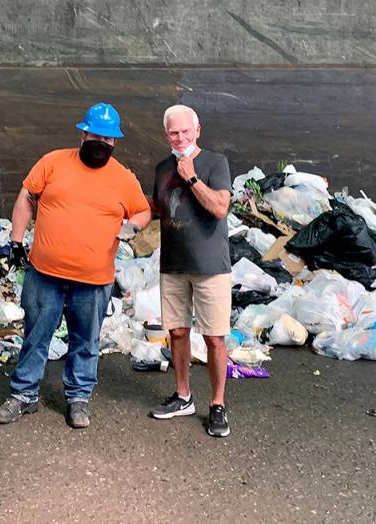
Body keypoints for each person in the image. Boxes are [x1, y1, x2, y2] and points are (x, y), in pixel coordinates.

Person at [0, 103, 151, 429]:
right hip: (44, 275)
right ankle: (24, 395)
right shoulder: (53, 162)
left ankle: (78, 399)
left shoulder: (122, 177)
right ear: (83, 133)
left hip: (94, 280)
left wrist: (132, 226)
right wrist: (17, 241)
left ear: (115, 142)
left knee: (86, 340)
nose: (101, 143)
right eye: (95, 135)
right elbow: (26, 197)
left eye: (108, 139)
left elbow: (143, 211)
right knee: (36, 335)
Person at [147, 104, 233, 437]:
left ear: (198, 130)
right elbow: (158, 210)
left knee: (214, 337)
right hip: (173, 265)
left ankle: (217, 405)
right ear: (165, 134)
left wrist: (191, 177)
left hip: (210, 266)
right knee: (178, 333)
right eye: (173, 132)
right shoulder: (160, 168)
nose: (180, 137)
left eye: (186, 131)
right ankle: (183, 396)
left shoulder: (215, 163)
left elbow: (219, 208)